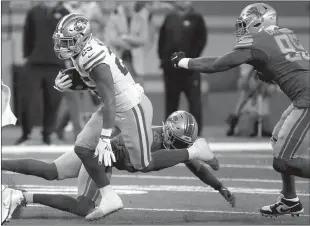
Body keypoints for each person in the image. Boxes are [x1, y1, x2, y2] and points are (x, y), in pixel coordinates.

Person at [51, 13, 217, 220]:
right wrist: (67, 83)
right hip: (115, 104)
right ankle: (109, 196)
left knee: (143, 164)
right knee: (83, 148)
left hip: (130, 107)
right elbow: (93, 82)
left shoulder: (93, 57)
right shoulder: (83, 52)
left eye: (67, 41)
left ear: (82, 39)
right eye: (61, 41)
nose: (62, 46)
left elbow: (109, 98)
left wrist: (104, 137)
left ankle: (194, 151)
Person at [171, 2, 309, 218]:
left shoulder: (259, 40)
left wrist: (183, 62)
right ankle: (289, 199)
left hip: (306, 100)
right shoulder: (285, 33)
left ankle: (290, 198)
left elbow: (217, 64)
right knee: (277, 142)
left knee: (283, 161)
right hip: (303, 96)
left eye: (246, 24)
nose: (243, 28)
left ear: (259, 22)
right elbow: (288, 65)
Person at [2, 111, 234, 223]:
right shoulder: (150, 140)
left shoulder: (167, 143)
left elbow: (196, 165)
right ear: (169, 131)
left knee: (51, 171)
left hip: (95, 148)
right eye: (180, 142)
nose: (180, 147)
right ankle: (21, 197)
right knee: (84, 207)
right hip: (100, 156)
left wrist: (219, 186)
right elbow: (146, 164)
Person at [15, 1, 68, 145]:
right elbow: (28, 35)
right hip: (34, 63)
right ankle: (26, 134)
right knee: (27, 99)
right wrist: (27, 55)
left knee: (53, 101)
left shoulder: (65, 13)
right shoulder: (34, 12)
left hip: (56, 65)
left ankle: (47, 135)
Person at [158, 1, 207, 136]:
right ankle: (168, 133)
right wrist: (163, 60)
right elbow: (162, 40)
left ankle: (196, 133)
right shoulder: (170, 17)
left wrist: (189, 60)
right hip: (171, 70)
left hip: (190, 69)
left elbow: (201, 41)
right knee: (171, 103)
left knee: (194, 103)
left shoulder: (196, 18)